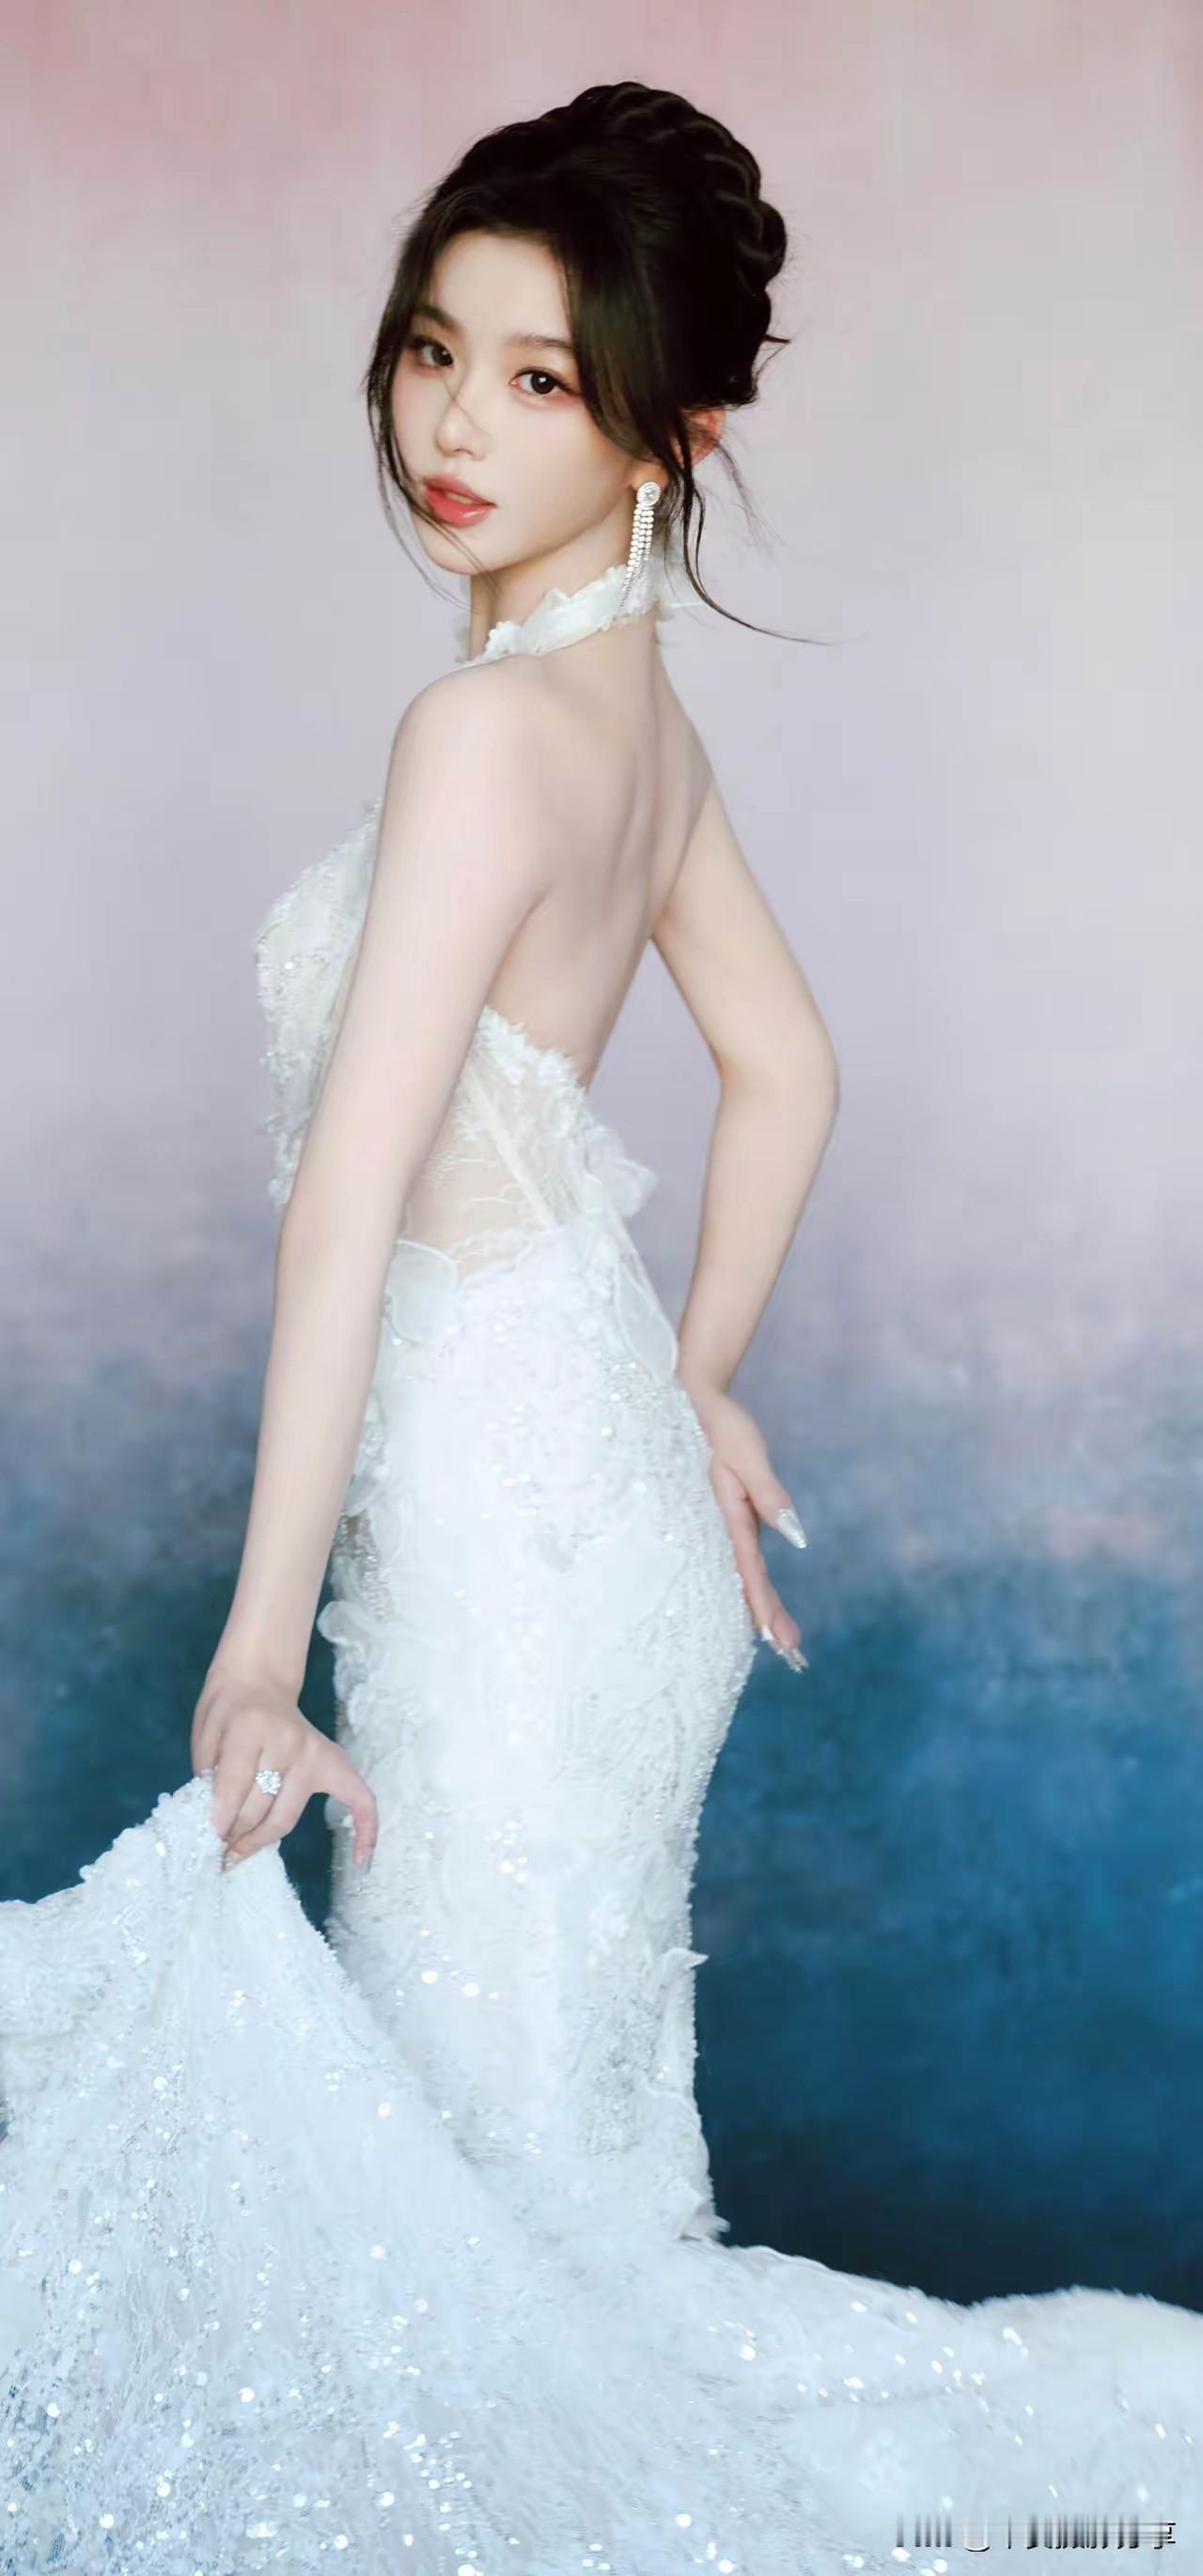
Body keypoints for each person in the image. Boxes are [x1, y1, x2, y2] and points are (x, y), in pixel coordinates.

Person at [2, 78, 1200, 2576]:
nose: (454, 421)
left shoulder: (482, 734)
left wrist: (257, 1648)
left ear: (674, 432)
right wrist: (693, 1376)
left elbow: (350, 1208)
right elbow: (793, 1067)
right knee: (540, 2227)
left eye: (541, 378)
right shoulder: (634, 720)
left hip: (506, 1546)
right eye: (434, 346)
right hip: (592, 1511)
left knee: (502, 2254)